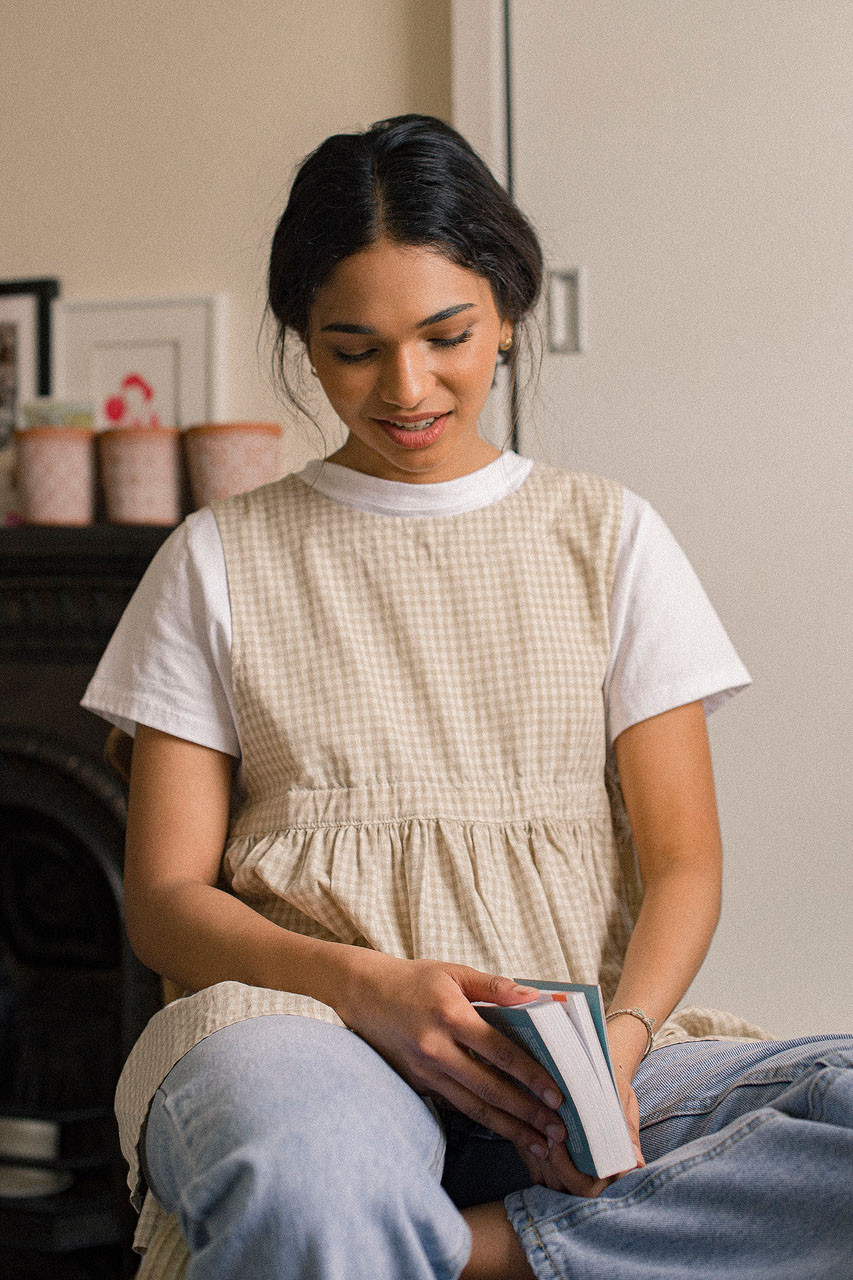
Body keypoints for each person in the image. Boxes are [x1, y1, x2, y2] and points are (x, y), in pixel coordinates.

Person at [82, 114, 853, 1280]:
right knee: (309, 1181)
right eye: (352, 348)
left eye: (445, 335)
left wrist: (621, 1049)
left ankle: (483, 1250)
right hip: (304, 1032)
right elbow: (164, 899)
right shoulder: (215, 556)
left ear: (506, 305)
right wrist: (371, 985)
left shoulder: (608, 534)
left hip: (571, 1047)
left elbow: (684, 856)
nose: (405, 387)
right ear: (302, 338)